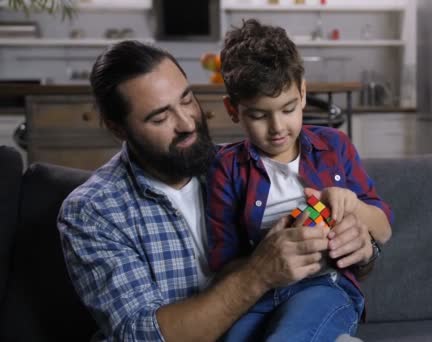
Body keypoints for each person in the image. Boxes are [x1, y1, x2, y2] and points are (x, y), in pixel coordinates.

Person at [57, 39, 378, 342]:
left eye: (187, 100)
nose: (186, 123)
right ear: (118, 129)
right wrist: (258, 274)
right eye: (160, 117)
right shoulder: (93, 211)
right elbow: (143, 336)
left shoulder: (240, 166)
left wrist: (359, 248)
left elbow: (344, 245)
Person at [205, 19, 393, 341]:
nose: (277, 127)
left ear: (303, 93)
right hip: (257, 294)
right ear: (233, 109)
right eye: (259, 115)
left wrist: (353, 205)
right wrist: (265, 256)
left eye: (288, 108)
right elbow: (222, 266)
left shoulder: (334, 146)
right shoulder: (226, 168)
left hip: (324, 285)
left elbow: (384, 228)